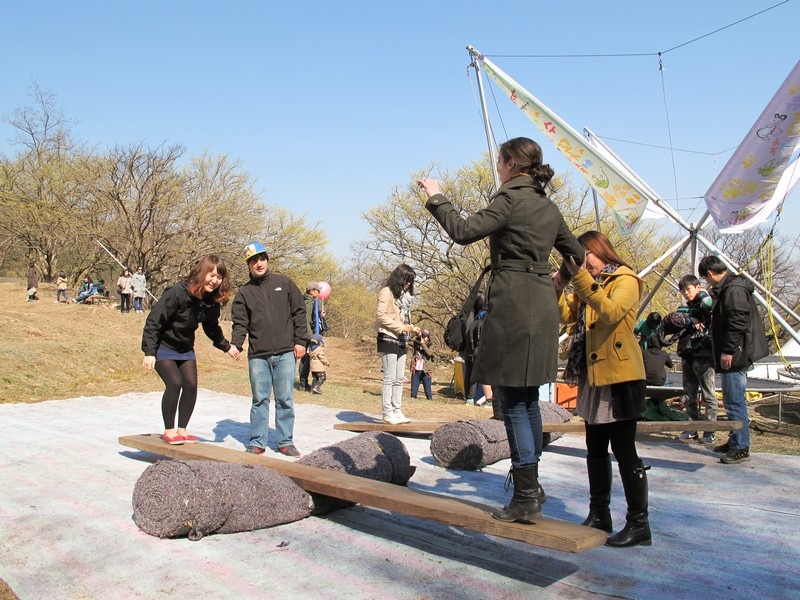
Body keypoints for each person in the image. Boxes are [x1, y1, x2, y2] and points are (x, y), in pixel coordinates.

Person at [418, 136, 584, 525]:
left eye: (499, 161)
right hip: (542, 305)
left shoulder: (508, 200)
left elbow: (462, 231)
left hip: (512, 305)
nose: (497, 167)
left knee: (513, 402)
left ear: (510, 163)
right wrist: (554, 280)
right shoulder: (548, 205)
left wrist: (437, 196)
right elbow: (577, 256)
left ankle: (526, 494)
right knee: (527, 399)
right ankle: (532, 486)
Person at [555, 230, 651, 547]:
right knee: (595, 451)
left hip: (620, 376)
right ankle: (600, 515)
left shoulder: (626, 279)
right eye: (578, 259)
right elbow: (563, 316)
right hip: (592, 376)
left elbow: (610, 312)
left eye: (586, 257)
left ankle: (639, 524)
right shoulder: (585, 283)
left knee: (625, 452)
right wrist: (560, 284)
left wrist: (581, 279)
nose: (584, 263)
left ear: (599, 251)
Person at [141, 255, 241, 445]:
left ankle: (182, 430)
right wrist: (149, 352)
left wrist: (227, 347)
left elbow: (211, 328)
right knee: (174, 384)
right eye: (211, 275)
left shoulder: (211, 301)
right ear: (201, 272)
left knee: (190, 386)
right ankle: (169, 431)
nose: (214, 280)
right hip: (163, 346)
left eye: (219, 277)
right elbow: (154, 321)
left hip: (185, 347)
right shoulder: (177, 292)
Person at [231, 241, 307, 457]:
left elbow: (299, 312)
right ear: (249, 265)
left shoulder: (284, 283)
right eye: (254, 260)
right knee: (259, 399)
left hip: (285, 353)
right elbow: (240, 323)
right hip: (258, 355)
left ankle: (285, 441)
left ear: (267, 260)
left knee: (285, 399)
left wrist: (301, 341)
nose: (259, 263)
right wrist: (236, 344)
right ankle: (257, 441)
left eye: (262, 258)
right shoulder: (244, 293)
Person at [698, 255, 769, 465]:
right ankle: (735, 439)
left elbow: (737, 321)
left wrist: (728, 350)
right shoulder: (730, 288)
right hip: (734, 351)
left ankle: (741, 446)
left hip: (736, 354)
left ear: (710, 273)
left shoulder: (734, 289)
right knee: (730, 400)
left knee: (735, 400)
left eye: (706, 278)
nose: (707, 283)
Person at [668, 274, 717, 444]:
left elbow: (710, 305)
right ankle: (691, 428)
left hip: (703, 354)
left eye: (688, 289)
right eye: (683, 291)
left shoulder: (706, 304)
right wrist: (690, 317)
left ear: (697, 287)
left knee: (708, 394)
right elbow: (676, 315)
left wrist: (703, 294)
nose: (686, 293)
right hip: (688, 353)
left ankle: (710, 431)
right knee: (689, 394)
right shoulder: (688, 309)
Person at [375, 264, 421, 425]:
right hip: (388, 337)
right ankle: (387, 412)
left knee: (399, 377)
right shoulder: (386, 292)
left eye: (411, 281)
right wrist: (401, 327)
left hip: (402, 339)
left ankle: (397, 409)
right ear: (399, 278)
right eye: (406, 280)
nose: (408, 284)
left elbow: (404, 319)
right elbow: (381, 316)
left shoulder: (405, 297)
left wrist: (412, 328)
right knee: (389, 377)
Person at [299, 281, 323, 392]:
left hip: (308, 334)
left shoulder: (312, 301)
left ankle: (305, 383)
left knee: (307, 360)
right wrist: (310, 336)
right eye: (317, 290)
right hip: (307, 335)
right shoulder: (308, 302)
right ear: (312, 291)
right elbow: (306, 320)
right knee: (306, 360)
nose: (319, 292)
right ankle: (303, 384)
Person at [410, 328, 434, 401]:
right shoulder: (416, 343)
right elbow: (407, 340)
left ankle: (429, 403)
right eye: (422, 336)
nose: (423, 338)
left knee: (428, 393)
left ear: (428, 338)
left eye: (425, 336)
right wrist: (415, 333)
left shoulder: (431, 345)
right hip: (416, 371)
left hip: (426, 372)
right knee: (413, 393)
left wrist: (423, 344)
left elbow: (429, 353)